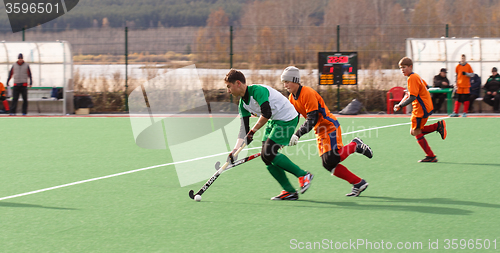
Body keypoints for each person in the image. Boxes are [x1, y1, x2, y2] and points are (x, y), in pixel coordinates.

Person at [282, 66, 372, 197]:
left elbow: (312, 119)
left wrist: (298, 134)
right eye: (283, 82)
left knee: (332, 158)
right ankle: (358, 183)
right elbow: (294, 118)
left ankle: (355, 145)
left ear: (295, 80)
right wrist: (286, 134)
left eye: (287, 81)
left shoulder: (307, 93)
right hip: (319, 131)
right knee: (328, 164)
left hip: (329, 126)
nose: (285, 85)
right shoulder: (292, 98)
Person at [224, 69, 313, 201]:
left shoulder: (257, 91)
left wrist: (253, 132)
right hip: (274, 121)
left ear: (238, 83)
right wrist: (235, 151)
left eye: (229, 86)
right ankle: (289, 191)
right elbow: (244, 130)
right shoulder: (243, 104)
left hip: (287, 118)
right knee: (266, 157)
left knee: (269, 152)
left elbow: (266, 113)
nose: (228, 91)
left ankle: (303, 175)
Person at [394, 57, 447, 163]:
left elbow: (413, 97)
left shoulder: (411, 78)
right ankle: (437, 126)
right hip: (423, 107)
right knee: (413, 131)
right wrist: (402, 101)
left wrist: (401, 106)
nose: (402, 70)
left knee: (416, 131)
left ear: (410, 67)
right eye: (400, 68)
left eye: (404, 67)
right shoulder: (415, 76)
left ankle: (431, 156)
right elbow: (422, 88)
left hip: (420, 109)